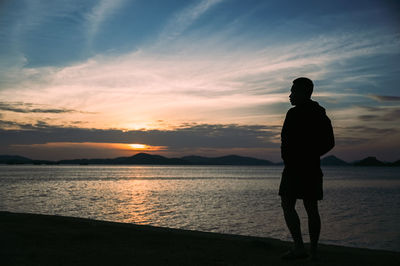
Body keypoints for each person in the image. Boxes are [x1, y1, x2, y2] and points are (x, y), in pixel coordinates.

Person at [279, 77, 334, 260]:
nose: (290, 95)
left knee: (292, 205)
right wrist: (308, 155)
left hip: (299, 167)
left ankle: (302, 248)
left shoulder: (300, 114)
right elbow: (328, 142)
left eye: (293, 91)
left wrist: (305, 155)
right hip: (303, 166)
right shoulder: (317, 112)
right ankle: (311, 251)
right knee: (308, 207)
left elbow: (328, 142)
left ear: (304, 93)